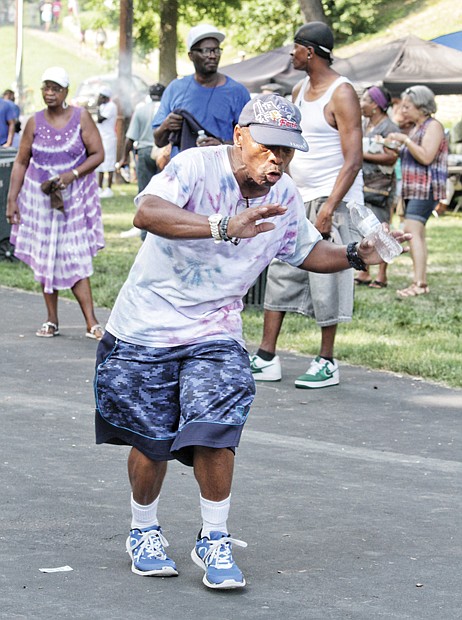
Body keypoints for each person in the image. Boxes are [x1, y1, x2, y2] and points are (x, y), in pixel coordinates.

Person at [94, 94, 410, 590]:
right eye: (269, 148)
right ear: (240, 135)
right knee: (151, 442)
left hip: (214, 331)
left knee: (217, 426)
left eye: (287, 151)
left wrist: (355, 253)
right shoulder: (195, 166)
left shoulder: (282, 194)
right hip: (147, 325)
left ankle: (214, 538)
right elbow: (147, 212)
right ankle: (143, 529)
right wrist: (222, 226)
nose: (277, 160)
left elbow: (306, 250)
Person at [250, 22, 363, 388]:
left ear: (310, 52)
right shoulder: (299, 90)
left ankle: (326, 361)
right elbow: (290, 152)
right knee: (282, 270)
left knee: (326, 278)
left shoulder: (341, 93)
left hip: (332, 199)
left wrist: (330, 207)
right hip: (299, 197)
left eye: (295, 48)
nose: (291, 54)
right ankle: (267, 356)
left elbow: (353, 160)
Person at [6, 66, 105, 340]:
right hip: (40, 200)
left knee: (74, 255)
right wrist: (12, 200)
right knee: (45, 256)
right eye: (46, 88)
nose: (49, 93)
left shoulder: (81, 117)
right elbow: (21, 162)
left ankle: (91, 322)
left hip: (74, 198)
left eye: (55, 88)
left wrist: (72, 174)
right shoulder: (34, 122)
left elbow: (98, 154)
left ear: (66, 92)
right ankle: (51, 320)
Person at [153, 23, 250, 158]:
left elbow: (249, 142)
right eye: (206, 50)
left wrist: (222, 145)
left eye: (216, 50)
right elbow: (158, 141)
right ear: (191, 55)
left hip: (221, 171)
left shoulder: (237, 92)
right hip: (183, 172)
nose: (212, 56)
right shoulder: (175, 89)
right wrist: (166, 126)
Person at [387, 85, 448, 297]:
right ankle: (420, 282)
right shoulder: (416, 127)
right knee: (416, 234)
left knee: (412, 233)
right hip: (413, 189)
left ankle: (419, 284)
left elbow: (426, 156)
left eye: (408, 106)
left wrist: (404, 140)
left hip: (426, 188)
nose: (403, 110)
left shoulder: (433, 126)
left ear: (421, 107)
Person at [355, 85, 399, 288]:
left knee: (382, 226)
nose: (361, 103)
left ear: (376, 105)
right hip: (364, 183)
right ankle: (364, 271)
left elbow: (391, 157)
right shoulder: (363, 124)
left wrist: (361, 155)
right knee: (365, 226)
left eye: (365, 99)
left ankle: (382, 274)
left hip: (381, 187)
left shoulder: (390, 128)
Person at [116, 82, 165, 239]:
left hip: (144, 152)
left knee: (144, 192)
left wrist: (124, 158)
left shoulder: (141, 110)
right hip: (162, 153)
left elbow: (130, 138)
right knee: (163, 193)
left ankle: (145, 232)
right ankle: (161, 230)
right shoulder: (166, 110)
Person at [95, 86, 117, 198]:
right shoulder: (103, 106)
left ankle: (108, 188)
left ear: (105, 97)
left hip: (109, 138)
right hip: (101, 138)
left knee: (109, 163)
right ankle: (99, 187)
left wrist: (98, 107)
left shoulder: (111, 106)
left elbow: (100, 119)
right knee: (100, 163)